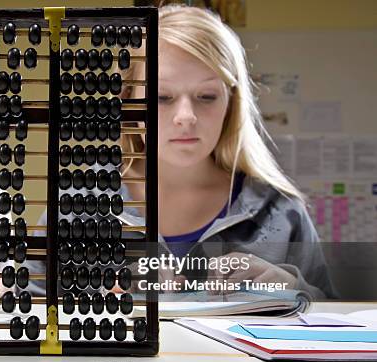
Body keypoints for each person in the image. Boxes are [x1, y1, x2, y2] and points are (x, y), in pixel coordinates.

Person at [119, 4, 335, 298]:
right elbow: (36, 309)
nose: (186, 116)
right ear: (129, 101)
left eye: (206, 96)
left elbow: (331, 325)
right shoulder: (80, 203)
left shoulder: (280, 211)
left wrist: (294, 291)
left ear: (231, 103)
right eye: (161, 96)